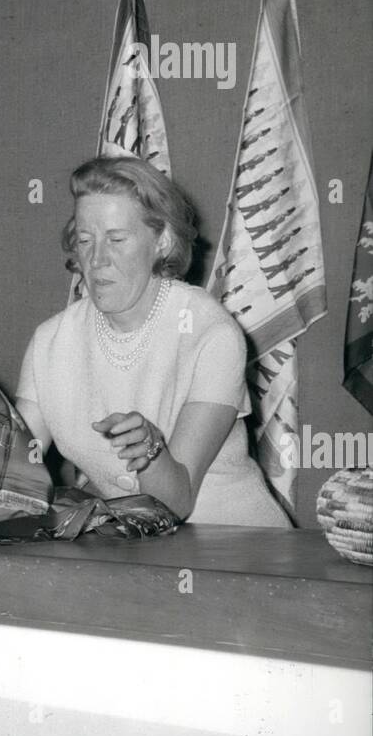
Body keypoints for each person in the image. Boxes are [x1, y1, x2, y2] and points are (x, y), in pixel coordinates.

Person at [15, 156, 292, 526]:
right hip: (138, 550)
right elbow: (10, 471)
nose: (97, 259)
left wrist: (149, 450)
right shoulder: (50, 341)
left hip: (238, 548)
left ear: (161, 240)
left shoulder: (211, 333)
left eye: (116, 239)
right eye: (85, 239)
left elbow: (175, 503)